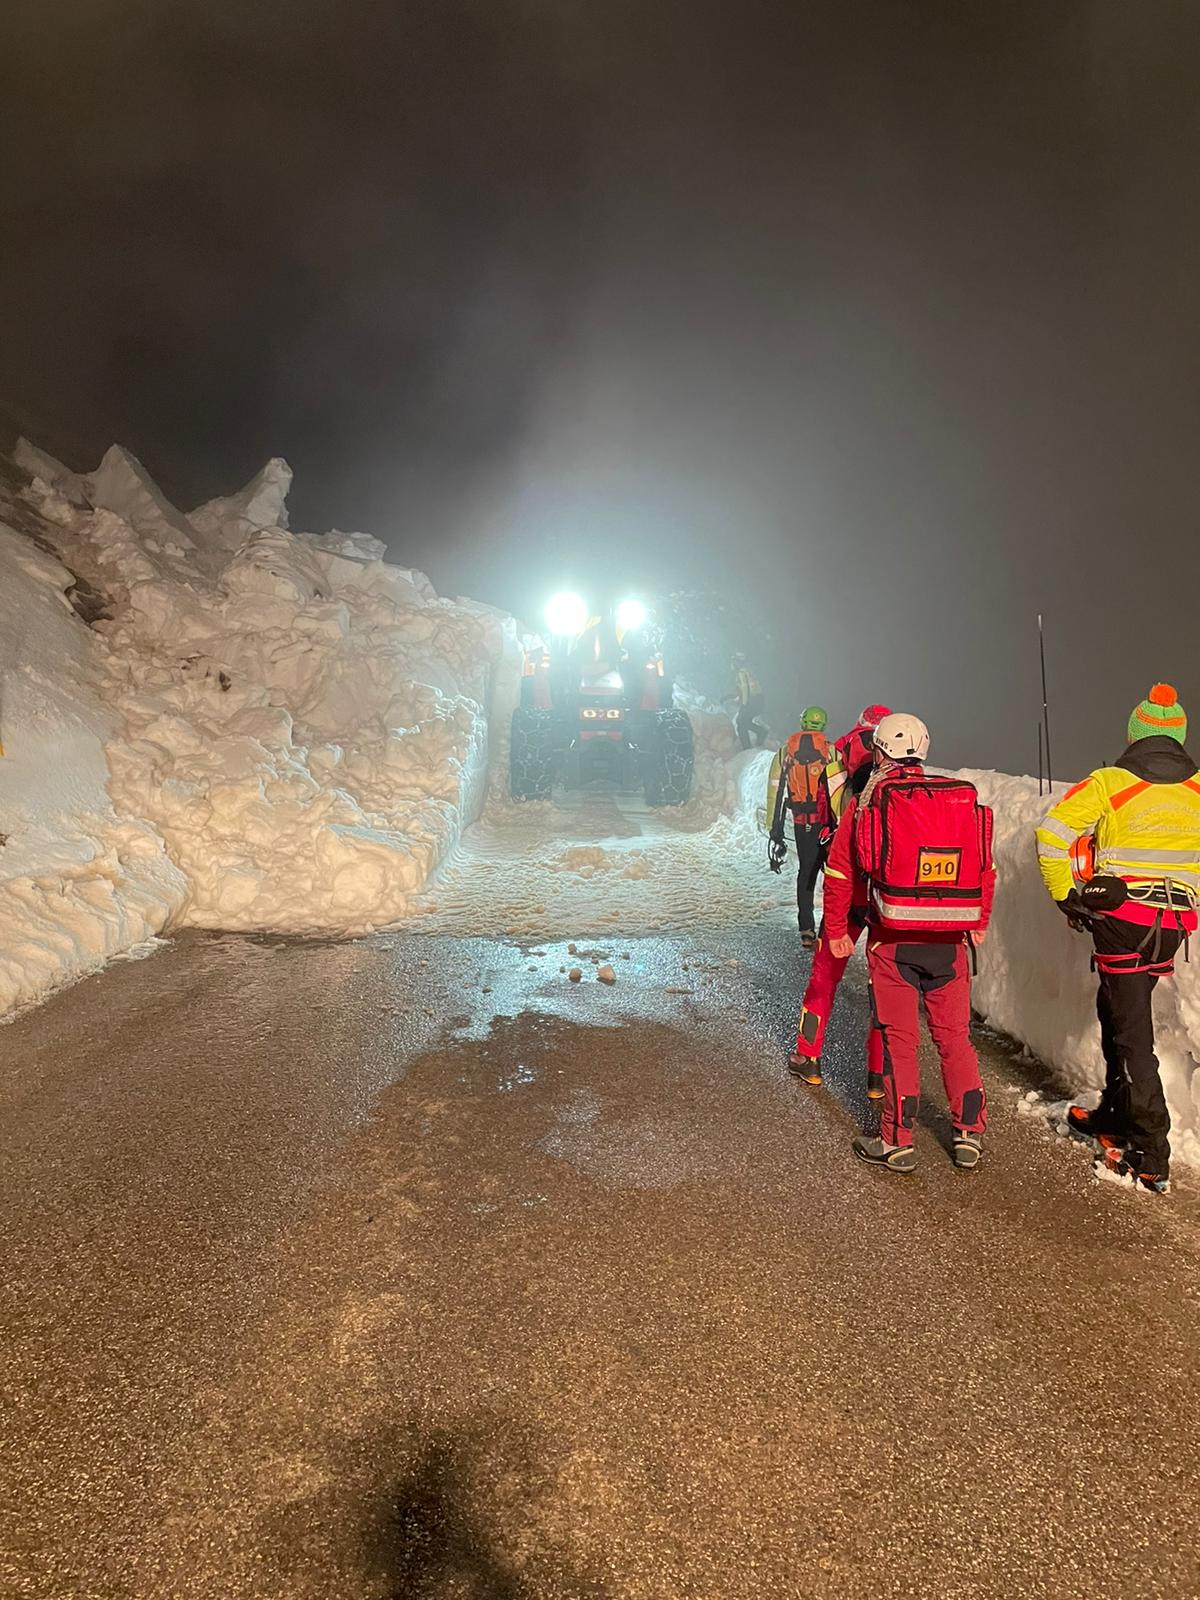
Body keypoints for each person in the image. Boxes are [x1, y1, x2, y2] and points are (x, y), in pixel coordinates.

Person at [1035, 684, 1200, 1194]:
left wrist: (1066, 895)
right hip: (1173, 927)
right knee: (1117, 1010)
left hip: (1121, 920)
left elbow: (1051, 833)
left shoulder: (1110, 782)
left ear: (1136, 734)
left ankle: (1151, 1153)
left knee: (1132, 1033)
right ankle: (1114, 1109)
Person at [822, 713, 994, 1172]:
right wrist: (979, 919)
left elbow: (841, 872)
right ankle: (968, 1134)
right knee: (955, 1039)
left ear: (879, 752)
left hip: (893, 941)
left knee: (900, 1040)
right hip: (950, 942)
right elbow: (983, 867)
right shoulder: (955, 799)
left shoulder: (868, 803)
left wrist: (838, 930)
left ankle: (896, 1141)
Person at [787, 702, 892, 1089]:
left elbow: (827, 818)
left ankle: (808, 1055)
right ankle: (878, 1075)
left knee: (824, 976)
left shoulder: (836, 763)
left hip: (848, 887)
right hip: (888, 896)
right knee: (883, 987)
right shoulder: (905, 778)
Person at [766, 706, 833, 945]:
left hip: (800, 821)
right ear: (823, 725)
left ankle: (806, 928)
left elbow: (775, 787)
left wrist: (773, 827)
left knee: (806, 872)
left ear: (802, 722)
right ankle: (829, 930)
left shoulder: (786, 751)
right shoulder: (831, 750)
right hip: (827, 823)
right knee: (834, 875)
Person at [725, 653, 768, 750]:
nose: (731, 664)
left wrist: (744, 704)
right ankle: (760, 732)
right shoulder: (747, 671)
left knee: (740, 722)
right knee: (744, 721)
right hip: (758, 700)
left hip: (753, 701)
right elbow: (746, 690)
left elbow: (745, 689)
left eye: (733, 662)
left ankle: (747, 747)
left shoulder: (741, 673)